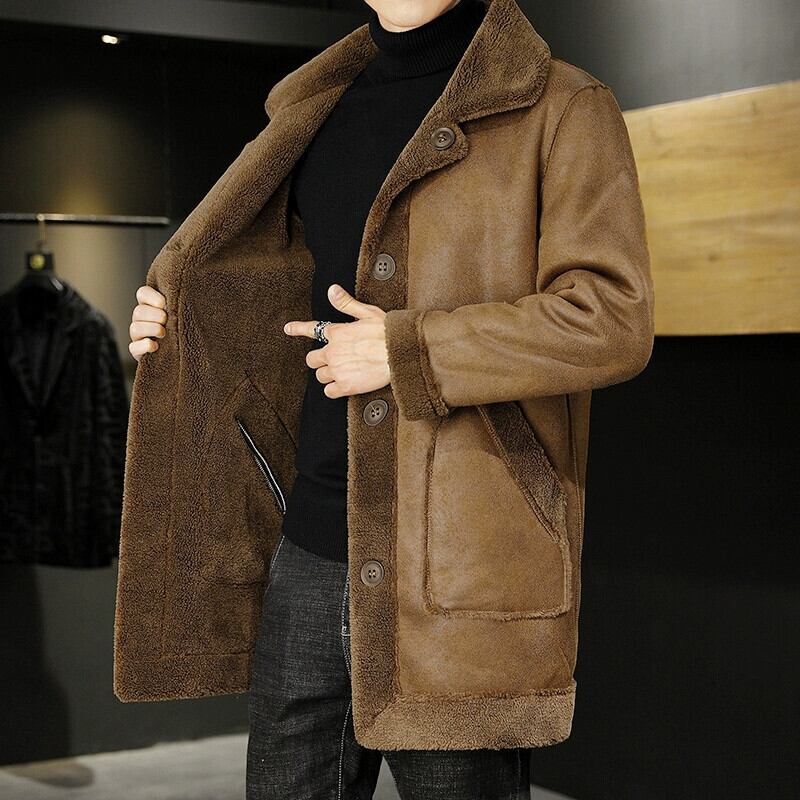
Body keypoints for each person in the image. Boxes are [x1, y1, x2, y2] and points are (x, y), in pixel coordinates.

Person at [125, 0, 654, 797]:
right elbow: (285, 303)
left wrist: (413, 349)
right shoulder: (312, 109)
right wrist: (183, 315)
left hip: (460, 563)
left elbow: (611, 319)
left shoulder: (563, 105)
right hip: (309, 549)